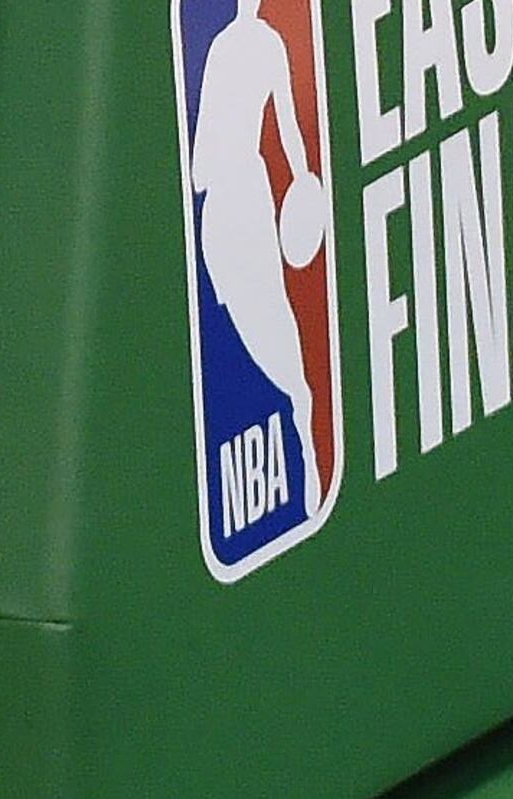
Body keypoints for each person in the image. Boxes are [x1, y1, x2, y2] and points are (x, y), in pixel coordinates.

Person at [187, 0, 327, 509]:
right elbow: (202, 147)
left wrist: (304, 181)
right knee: (246, 324)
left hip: (246, 195)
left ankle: (304, 426)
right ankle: (297, 406)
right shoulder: (221, 46)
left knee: (272, 318)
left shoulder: (265, 45)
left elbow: (288, 123)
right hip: (220, 207)